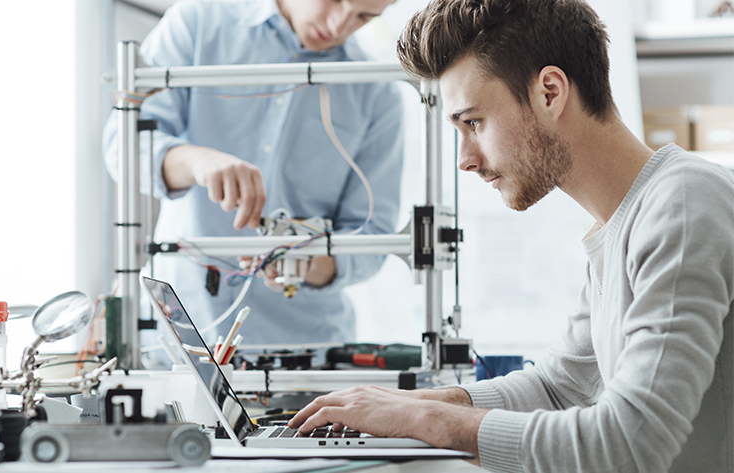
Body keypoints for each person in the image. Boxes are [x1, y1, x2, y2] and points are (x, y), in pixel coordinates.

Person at [288, 0, 734, 471]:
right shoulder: (623, 220)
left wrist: (426, 420)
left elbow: (631, 441)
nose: (466, 159)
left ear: (550, 92)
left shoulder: (682, 204)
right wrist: (418, 404)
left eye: (474, 123)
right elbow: (559, 388)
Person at [102, 0, 405, 355]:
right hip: (176, 336)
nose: (339, 24)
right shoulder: (198, 22)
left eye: (364, 17)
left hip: (303, 353)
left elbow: (372, 235)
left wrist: (307, 262)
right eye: (336, 0)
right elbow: (123, 145)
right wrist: (197, 160)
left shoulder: (376, 91)